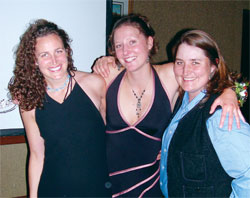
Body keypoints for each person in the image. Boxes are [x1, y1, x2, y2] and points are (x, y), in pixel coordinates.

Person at [93, 14, 241, 197]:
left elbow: (217, 75)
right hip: (108, 187)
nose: (126, 51)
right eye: (119, 45)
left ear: (149, 42)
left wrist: (230, 93)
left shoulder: (171, 74)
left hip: (153, 189)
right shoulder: (107, 77)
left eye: (132, 42)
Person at [8, 19, 111, 197]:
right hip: (53, 190)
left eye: (58, 51)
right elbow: (36, 155)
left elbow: (114, 135)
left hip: (98, 189)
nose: (54, 60)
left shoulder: (95, 84)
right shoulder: (29, 102)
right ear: (34, 61)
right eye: (44, 55)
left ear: (67, 52)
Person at [160, 30, 250, 197]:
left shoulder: (219, 116)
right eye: (180, 62)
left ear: (213, 67)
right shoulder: (182, 100)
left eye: (195, 62)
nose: (186, 71)